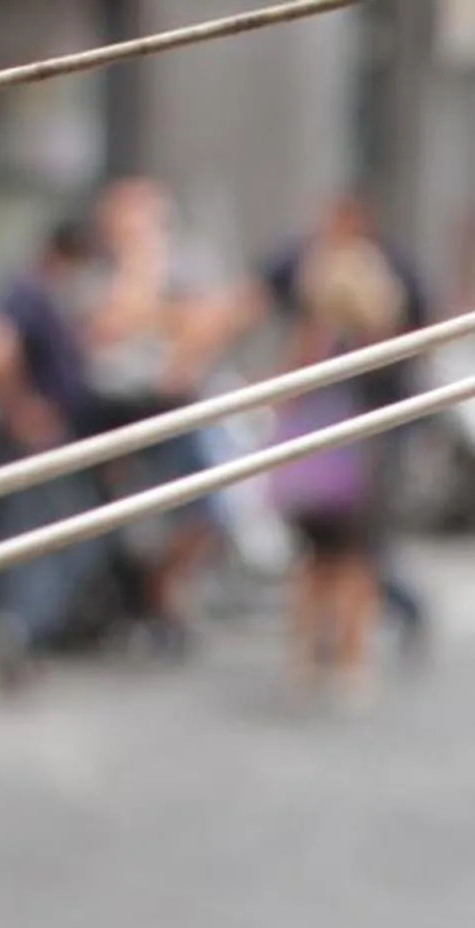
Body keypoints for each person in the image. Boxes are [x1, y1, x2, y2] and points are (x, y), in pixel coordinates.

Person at [72, 177, 248, 646]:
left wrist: (160, 315)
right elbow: (103, 329)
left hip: (178, 412)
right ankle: (138, 602)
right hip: (115, 411)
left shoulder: (187, 263)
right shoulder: (99, 270)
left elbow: (210, 321)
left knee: (206, 512)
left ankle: (161, 595)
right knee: (113, 513)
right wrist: (142, 281)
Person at [261, 191, 432, 663]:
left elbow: (292, 382)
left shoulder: (379, 290)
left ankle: (334, 653)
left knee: (345, 559)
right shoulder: (334, 314)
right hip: (344, 452)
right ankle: (332, 654)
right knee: (340, 558)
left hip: (356, 448)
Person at [268, 235, 409, 706]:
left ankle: (306, 658)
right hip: (359, 469)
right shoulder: (380, 335)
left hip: (311, 470)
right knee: (354, 567)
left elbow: (285, 392)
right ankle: (351, 660)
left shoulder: (315, 334)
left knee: (314, 566)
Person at [0, 218, 105, 685]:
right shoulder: (27, 292)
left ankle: (25, 634)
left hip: (52, 441)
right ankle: (17, 633)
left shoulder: (42, 296)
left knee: (60, 539)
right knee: (41, 543)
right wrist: (22, 412)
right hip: (35, 448)